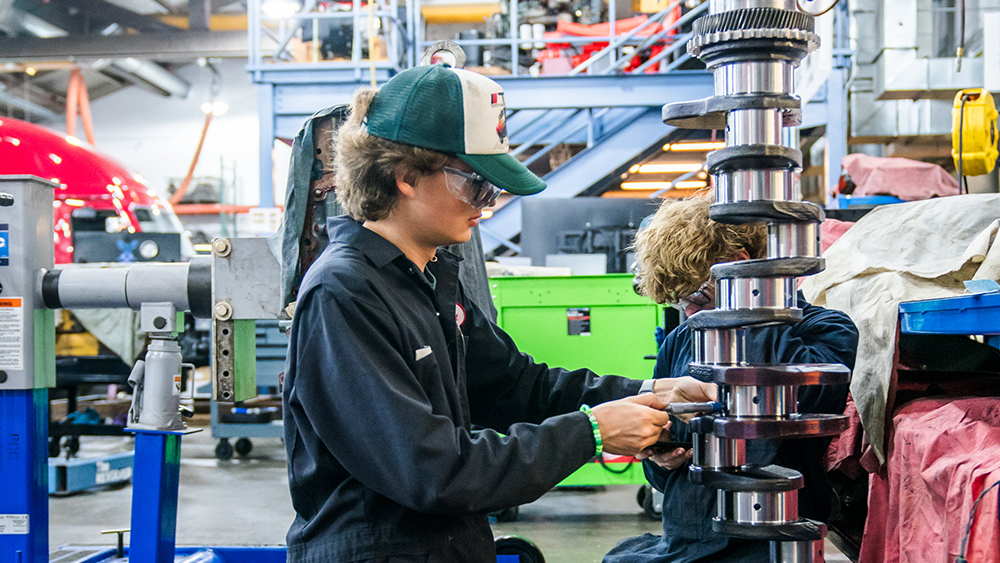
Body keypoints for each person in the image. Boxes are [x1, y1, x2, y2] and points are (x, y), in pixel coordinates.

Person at [280, 65, 717, 563]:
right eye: (475, 184)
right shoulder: (345, 293)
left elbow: (518, 386)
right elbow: (433, 472)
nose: (487, 203)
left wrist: (649, 394)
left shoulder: (430, 279)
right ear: (405, 177)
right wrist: (593, 432)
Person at [605, 195, 859, 563]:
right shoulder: (683, 340)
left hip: (773, 542)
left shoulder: (826, 330)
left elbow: (806, 397)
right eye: (679, 301)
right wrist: (660, 458)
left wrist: (750, 308)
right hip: (687, 541)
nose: (690, 313)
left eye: (698, 295)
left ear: (740, 267)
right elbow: (661, 477)